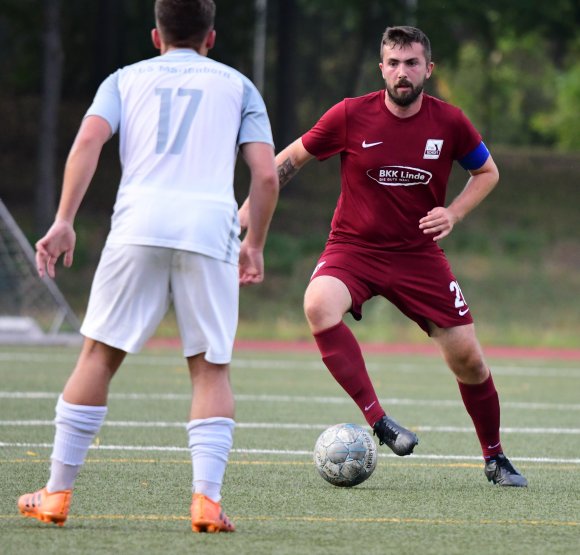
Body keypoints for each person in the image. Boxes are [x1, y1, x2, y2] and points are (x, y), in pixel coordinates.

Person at [18, 0, 279, 533]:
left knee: (98, 355)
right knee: (209, 366)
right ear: (211, 38)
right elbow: (266, 175)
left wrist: (65, 219)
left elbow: (88, 141)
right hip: (209, 229)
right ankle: (206, 503)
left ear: (156, 36)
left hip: (137, 224)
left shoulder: (123, 79)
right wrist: (254, 243)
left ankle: (57, 493)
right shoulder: (238, 85)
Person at [241, 25, 526, 487]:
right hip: (354, 248)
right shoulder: (350, 115)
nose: (402, 72)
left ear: (428, 70)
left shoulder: (450, 121)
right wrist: (242, 217)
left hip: (418, 256)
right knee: (317, 304)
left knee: (469, 361)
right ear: (381, 69)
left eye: (412, 63)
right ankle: (378, 420)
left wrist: (453, 213)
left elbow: (487, 172)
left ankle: (495, 457)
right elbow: (284, 163)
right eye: (393, 63)